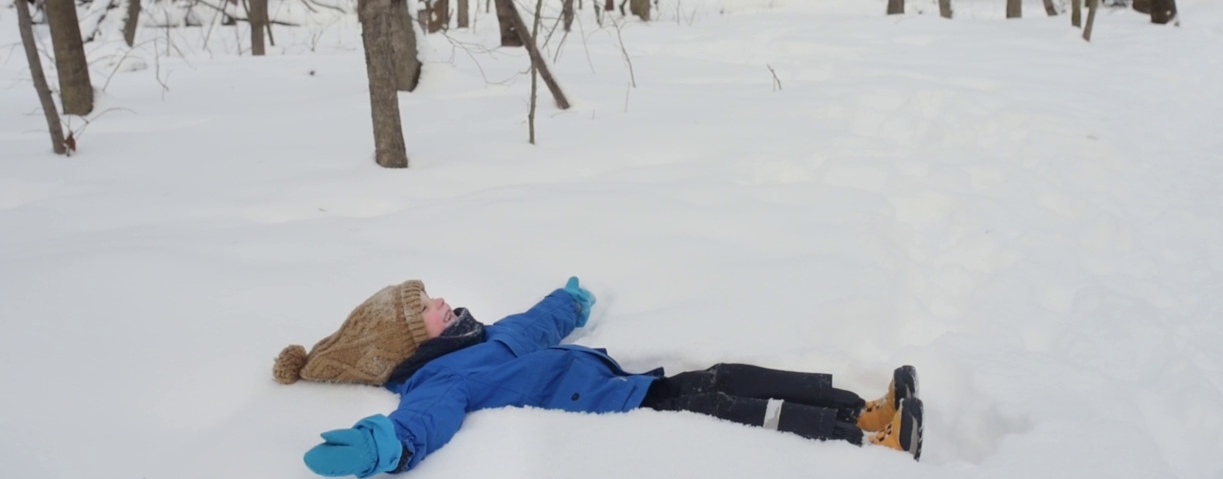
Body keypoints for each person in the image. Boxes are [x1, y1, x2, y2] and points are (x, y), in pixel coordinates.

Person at [273, 279, 924, 478]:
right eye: (426, 308)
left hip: (618, 382)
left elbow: (533, 326)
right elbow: (428, 420)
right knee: (725, 405)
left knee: (725, 376)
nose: (440, 302)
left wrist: (569, 304)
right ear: (410, 340)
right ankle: (863, 443)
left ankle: (863, 408)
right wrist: (388, 444)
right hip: (608, 408)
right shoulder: (435, 382)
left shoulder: (487, 337)